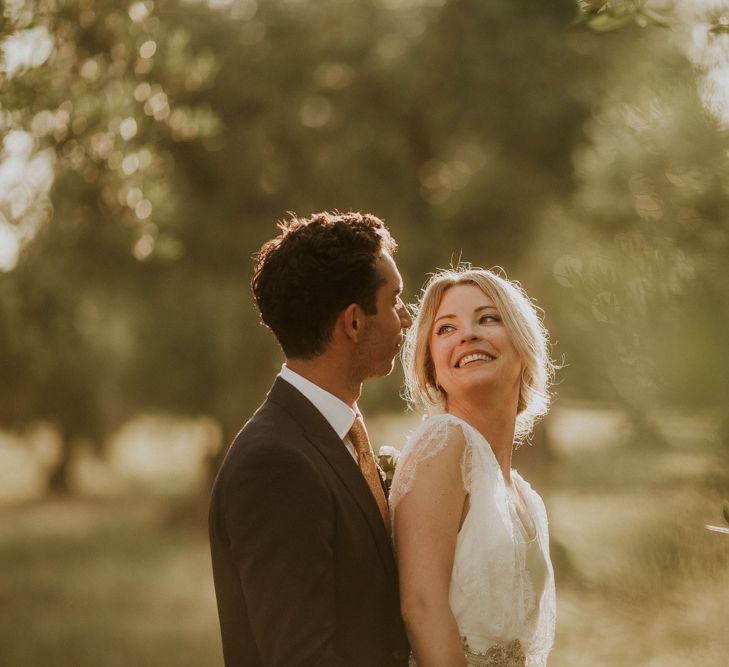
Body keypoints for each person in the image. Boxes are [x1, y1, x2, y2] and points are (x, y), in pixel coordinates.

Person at [208, 211, 412, 667]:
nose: (407, 315)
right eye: (395, 299)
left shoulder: (328, 437)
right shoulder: (275, 463)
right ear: (354, 323)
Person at [390, 267, 556, 667]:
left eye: (488, 319)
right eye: (446, 329)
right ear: (431, 367)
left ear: (522, 344)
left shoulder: (524, 495)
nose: (468, 334)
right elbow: (422, 606)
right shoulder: (445, 441)